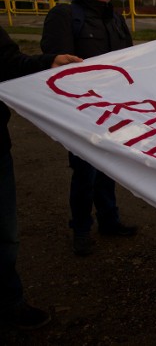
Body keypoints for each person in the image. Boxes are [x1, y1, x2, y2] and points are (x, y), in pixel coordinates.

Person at [41, 0, 137, 256]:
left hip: (114, 108)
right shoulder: (65, 16)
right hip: (81, 110)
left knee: (108, 168)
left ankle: (110, 221)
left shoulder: (116, 19)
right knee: (85, 172)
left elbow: (131, 60)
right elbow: (53, 66)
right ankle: (80, 229)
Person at [0, 26, 82, 329]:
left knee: (5, 236)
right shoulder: (65, 16)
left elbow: (7, 62)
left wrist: (46, 62)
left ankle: (10, 303)